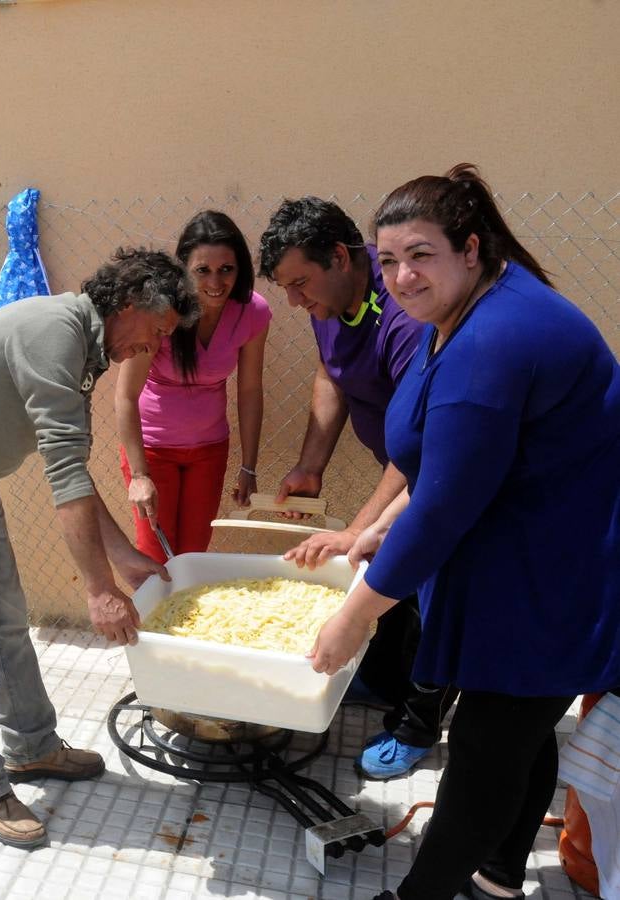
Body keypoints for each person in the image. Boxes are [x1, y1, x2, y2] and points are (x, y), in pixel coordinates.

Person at [307, 164, 620, 900]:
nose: (401, 276)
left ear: (470, 248)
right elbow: (439, 456)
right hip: (522, 553)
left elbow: (445, 506)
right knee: (517, 728)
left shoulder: (494, 339)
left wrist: (351, 620)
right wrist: (377, 526)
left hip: (562, 571)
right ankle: (497, 879)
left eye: (420, 254)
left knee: (483, 750)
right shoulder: (454, 315)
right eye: (387, 260)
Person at [0, 248, 193, 849]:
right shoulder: (56, 334)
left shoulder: (85, 344)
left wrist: (124, 558)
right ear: (126, 305)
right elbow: (65, 481)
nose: (148, 351)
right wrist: (100, 591)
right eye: (153, 334)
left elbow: (74, 468)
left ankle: (31, 747)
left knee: (7, 625)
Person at [259, 197, 454, 780]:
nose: (294, 301)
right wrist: (310, 465)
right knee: (383, 570)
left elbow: (418, 443)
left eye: (300, 284)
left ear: (340, 258)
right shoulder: (330, 299)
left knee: (423, 592)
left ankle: (419, 726)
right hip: (405, 468)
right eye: (286, 287)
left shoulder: (402, 315)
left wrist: (356, 530)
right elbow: (329, 374)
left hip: (435, 475)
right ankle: (383, 681)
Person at [115, 211, 270, 557]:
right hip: (153, 451)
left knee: (193, 554)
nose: (215, 282)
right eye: (203, 270)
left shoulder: (253, 312)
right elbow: (126, 396)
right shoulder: (161, 310)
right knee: (156, 557)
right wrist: (140, 476)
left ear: (240, 268)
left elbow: (249, 391)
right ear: (185, 270)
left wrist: (249, 465)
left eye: (226, 269)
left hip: (209, 451)